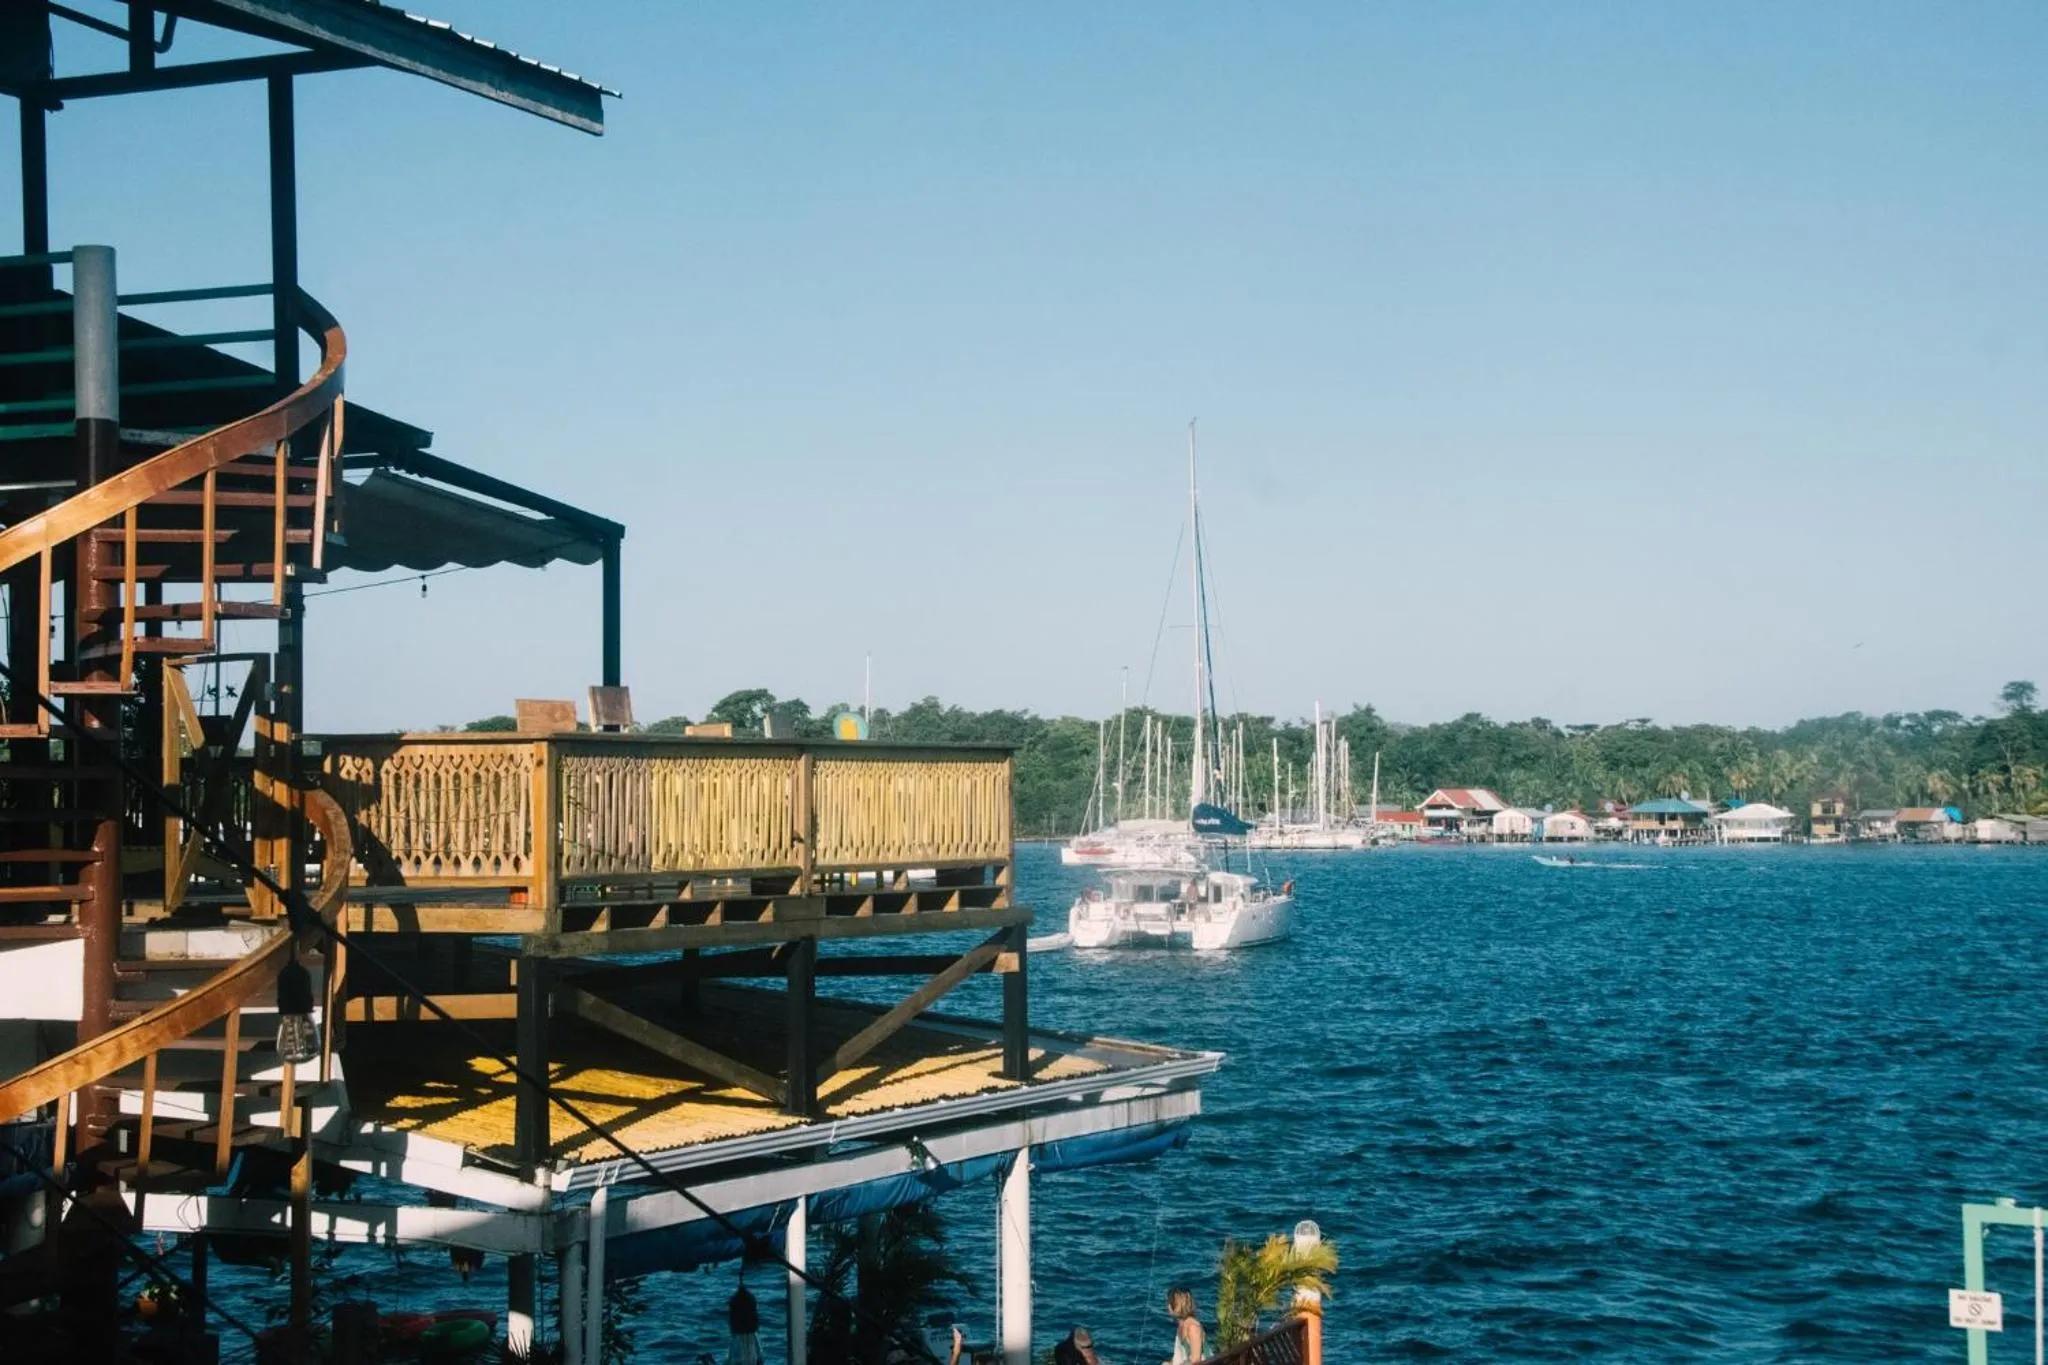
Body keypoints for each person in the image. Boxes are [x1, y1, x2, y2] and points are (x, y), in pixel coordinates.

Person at [1164, 1286, 1205, 1363]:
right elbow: (1180, 1356)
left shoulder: (1193, 1327)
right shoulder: (1181, 1325)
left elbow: (1196, 1361)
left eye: (1170, 1302)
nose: (1168, 1306)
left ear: (1177, 1306)